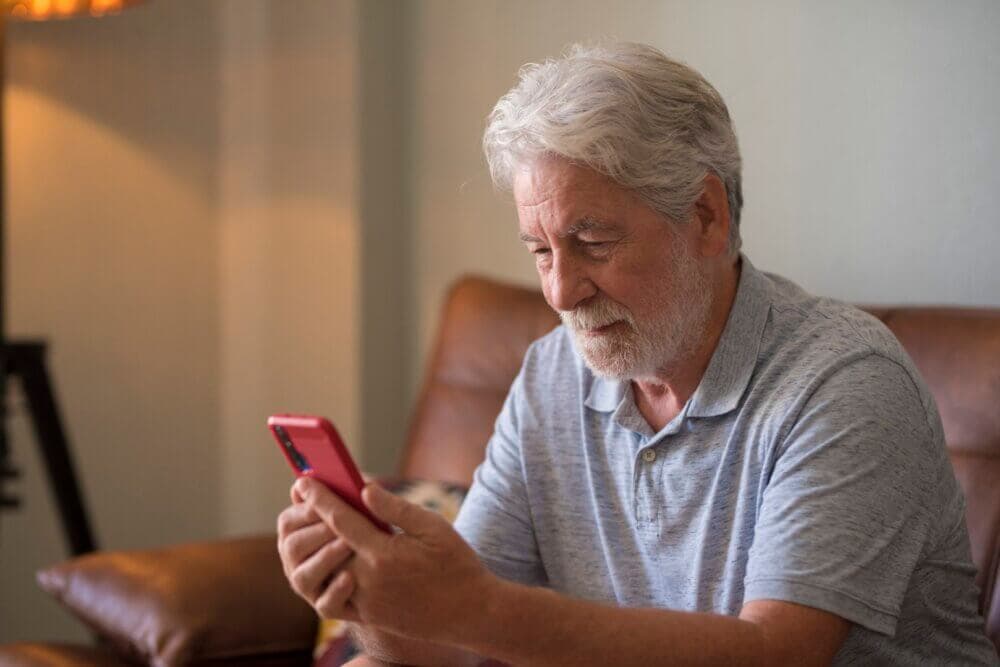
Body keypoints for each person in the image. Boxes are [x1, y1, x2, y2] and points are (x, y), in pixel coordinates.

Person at [277, 43, 998, 665]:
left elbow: (777, 654)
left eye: (594, 243)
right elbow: (448, 643)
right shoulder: (552, 375)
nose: (560, 291)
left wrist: (472, 607)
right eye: (540, 250)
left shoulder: (843, 384)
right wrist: (369, 590)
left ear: (707, 216)